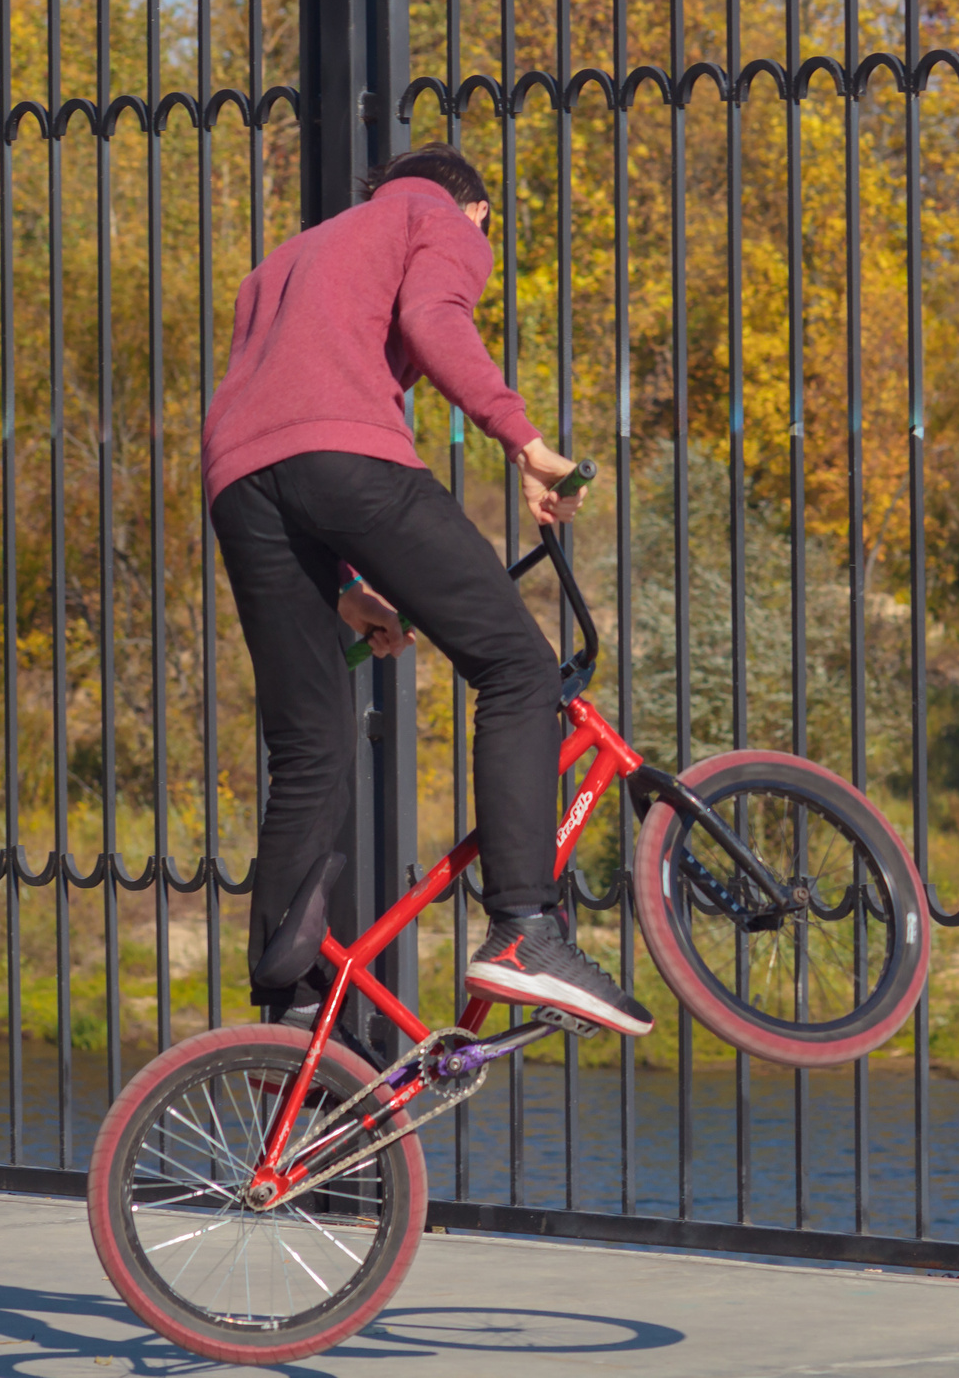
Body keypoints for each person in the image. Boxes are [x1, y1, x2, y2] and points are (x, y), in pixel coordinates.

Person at [201, 141, 653, 1039]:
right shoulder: (437, 217)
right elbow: (435, 322)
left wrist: (345, 588)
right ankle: (525, 926)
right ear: (475, 208)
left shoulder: (289, 259)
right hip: (346, 461)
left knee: (310, 744)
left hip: (239, 484)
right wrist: (525, 444)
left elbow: (289, 414)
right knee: (519, 668)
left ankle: (284, 1005)